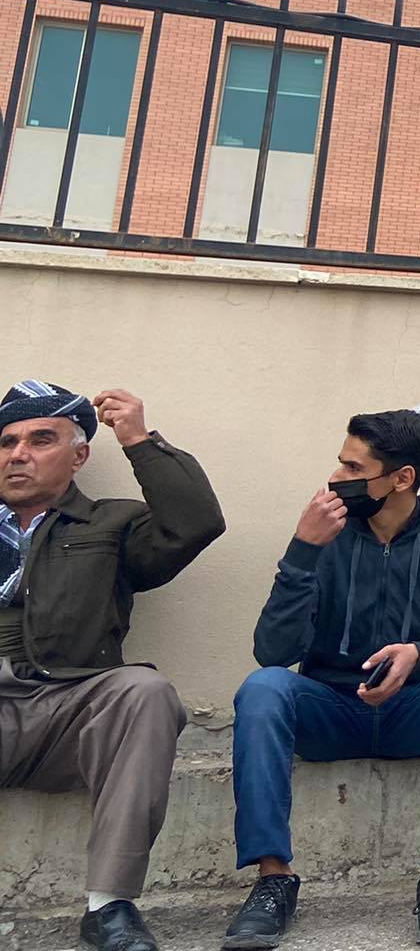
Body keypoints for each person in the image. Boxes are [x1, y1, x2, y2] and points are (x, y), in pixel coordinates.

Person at [224, 411, 420, 949]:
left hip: (413, 711)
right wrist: (303, 550)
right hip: (330, 709)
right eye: (340, 463)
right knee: (262, 689)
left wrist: (419, 654)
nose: (337, 478)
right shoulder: (326, 532)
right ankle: (272, 879)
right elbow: (273, 652)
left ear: (401, 478)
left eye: (354, 468)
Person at [0, 382, 224, 951]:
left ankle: (109, 908)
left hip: (66, 711)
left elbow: (194, 523)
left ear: (79, 456)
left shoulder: (111, 523)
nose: (18, 454)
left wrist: (139, 441)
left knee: (144, 691)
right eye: (6, 442)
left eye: (40, 440)